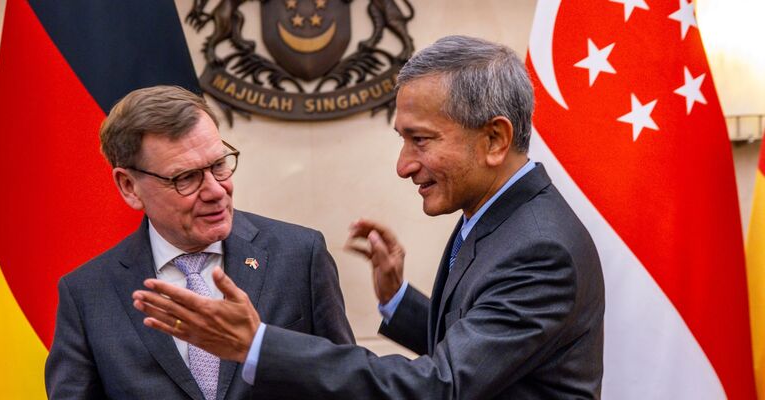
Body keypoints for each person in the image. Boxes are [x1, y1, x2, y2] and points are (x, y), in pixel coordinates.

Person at [133, 35, 605, 399]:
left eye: (420, 140)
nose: (404, 165)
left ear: (495, 140)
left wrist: (256, 344)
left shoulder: (540, 250)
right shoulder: (497, 218)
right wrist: (399, 301)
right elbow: (485, 350)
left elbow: (440, 386)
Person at [44, 85, 354, 400]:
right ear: (129, 186)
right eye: (186, 178)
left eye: (219, 164)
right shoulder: (87, 293)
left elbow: (348, 383)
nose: (216, 191)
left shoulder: (299, 256)